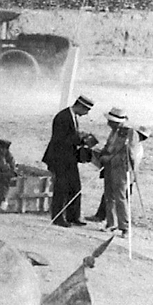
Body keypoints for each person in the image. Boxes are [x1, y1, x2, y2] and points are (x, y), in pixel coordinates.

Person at [41, 95, 94, 227]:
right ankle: (58, 217)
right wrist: (81, 138)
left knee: (75, 187)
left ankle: (73, 216)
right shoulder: (63, 117)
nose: (86, 114)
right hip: (59, 158)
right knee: (61, 188)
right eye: (86, 110)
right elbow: (61, 139)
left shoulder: (71, 116)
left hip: (69, 158)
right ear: (80, 106)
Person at [87, 125, 150, 223]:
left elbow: (130, 162)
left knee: (121, 200)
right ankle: (108, 220)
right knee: (110, 198)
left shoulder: (136, 148)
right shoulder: (129, 144)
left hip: (126, 176)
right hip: (121, 174)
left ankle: (123, 224)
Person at [97, 108, 141, 238]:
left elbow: (129, 154)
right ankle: (111, 223)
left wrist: (110, 159)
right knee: (109, 196)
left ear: (118, 122)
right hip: (109, 167)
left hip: (121, 169)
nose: (108, 123)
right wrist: (103, 156)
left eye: (111, 121)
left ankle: (125, 227)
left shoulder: (130, 133)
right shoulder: (113, 132)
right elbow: (108, 147)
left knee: (120, 197)